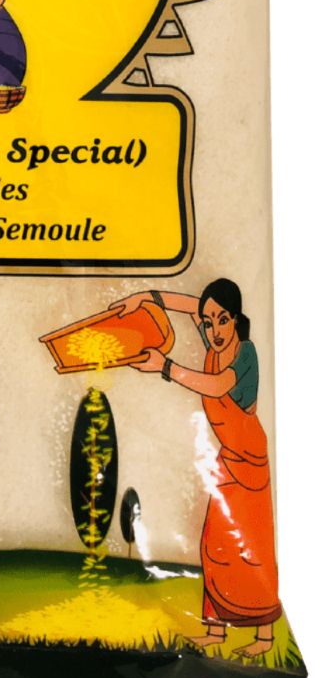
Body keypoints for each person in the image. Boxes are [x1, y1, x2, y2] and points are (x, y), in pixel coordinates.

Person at [111, 279, 280, 657]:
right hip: (228, 456)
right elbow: (190, 304)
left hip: (250, 460)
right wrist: (145, 298)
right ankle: (216, 631)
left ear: (235, 319)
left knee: (252, 545)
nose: (214, 329)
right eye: (208, 322)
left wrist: (165, 367)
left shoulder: (245, 353)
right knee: (214, 544)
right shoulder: (214, 341)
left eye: (223, 320)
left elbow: (217, 386)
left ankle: (266, 637)